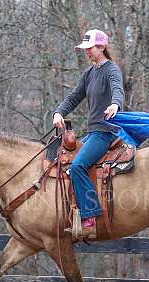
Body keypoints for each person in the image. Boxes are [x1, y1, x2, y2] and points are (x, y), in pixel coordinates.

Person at [52, 29, 125, 239]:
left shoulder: (111, 70)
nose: (87, 53)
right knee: (64, 163)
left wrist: (115, 104)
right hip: (93, 132)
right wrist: (59, 112)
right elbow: (74, 97)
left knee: (78, 166)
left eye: (90, 48)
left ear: (101, 47)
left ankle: (90, 217)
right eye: (85, 49)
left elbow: (117, 89)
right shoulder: (89, 73)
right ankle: (72, 213)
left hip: (105, 133)